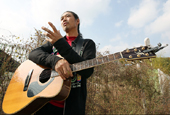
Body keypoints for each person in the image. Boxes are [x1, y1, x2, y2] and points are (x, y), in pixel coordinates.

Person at [29, 11, 96, 115]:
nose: (64, 19)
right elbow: (33, 54)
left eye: (68, 16)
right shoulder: (52, 43)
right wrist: (55, 61)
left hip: (70, 108)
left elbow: (88, 71)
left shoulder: (87, 44)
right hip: (43, 102)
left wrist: (61, 43)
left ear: (77, 21)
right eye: (61, 18)